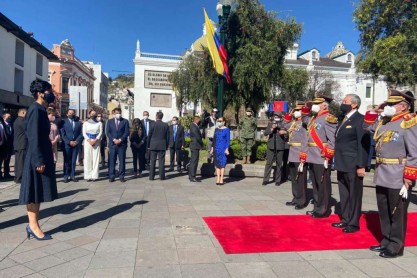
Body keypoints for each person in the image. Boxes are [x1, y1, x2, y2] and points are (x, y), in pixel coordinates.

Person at [364, 90, 417, 258]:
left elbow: (414, 152)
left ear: (403, 106)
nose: (388, 106)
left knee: (396, 211)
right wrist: (375, 111)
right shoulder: (385, 121)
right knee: (384, 209)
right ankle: (386, 240)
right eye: (387, 104)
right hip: (382, 172)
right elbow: (367, 127)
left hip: (398, 174)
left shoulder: (409, 122)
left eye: (391, 104)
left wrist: (409, 176)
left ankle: (396, 245)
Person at [19, 80, 57, 240]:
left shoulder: (40, 109)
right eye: (49, 90)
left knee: (38, 191)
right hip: (37, 157)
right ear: (41, 93)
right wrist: (38, 160)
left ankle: (34, 225)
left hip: (42, 155)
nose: (52, 93)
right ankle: (33, 226)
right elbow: (33, 137)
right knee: (33, 192)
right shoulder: (35, 109)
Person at [332, 94, 370, 233]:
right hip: (342, 162)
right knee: (344, 193)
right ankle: (346, 219)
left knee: (354, 194)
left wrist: (361, 165)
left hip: (353, 163)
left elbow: (363, 144)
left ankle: (353, 223)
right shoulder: (343, 119)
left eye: (345, 101)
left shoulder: (360, 120)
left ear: (354, 104)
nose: (343, 103)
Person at [304, 95, 337, 218]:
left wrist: (329, 153)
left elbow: (332, 139)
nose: (314, 105)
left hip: (321, 155)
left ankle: (323, 209)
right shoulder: (314, 118)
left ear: (324, 105)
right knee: (315, 183)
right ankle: (317, 207)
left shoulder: (328, 118)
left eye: (317, 103)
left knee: (322, 183)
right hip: (312, 155)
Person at [285, 103, 309, 209]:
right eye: (295, 110)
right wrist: (288, 115)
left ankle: (302, 200)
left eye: (297, 110)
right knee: (294, 178)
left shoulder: (304, 123)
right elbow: (284, 125)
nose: (295, 112)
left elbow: (305, 138)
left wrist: (303, 153)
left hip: (299, 152)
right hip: (292, 152)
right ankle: (295, 197)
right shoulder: (293, 123)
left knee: (301, 178)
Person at [262, 112, 287, 186]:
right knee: (269, 163)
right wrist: (271, 129)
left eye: (277, 116)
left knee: (279, 164)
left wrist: (284, 133)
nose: (275, 117)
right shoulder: (270, 123)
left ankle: (278, 180)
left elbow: (288, 135)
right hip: (271, 146)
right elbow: (265, 133)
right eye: (274, 116)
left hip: (280, 146)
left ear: (280, 117)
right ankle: (266, 180)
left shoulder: (283, 124)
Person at [106, 108, 129, 182]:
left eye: (119, 112)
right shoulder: (109, 121)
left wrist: (120, 140)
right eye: (116, 113)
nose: (118, 114)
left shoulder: (125, 121)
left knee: (122, 160)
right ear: (114, 113)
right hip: (112, 144)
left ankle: (121, 176)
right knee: (112, 160)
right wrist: (114, 140)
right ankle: (112, 175)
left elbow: (126, 132)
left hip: (122, 144)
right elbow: (108, 132)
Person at [60, 109, 83, 183]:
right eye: (70, 113)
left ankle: (73, 175)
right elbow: (62, 134)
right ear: (67, 114)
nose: (71, 114)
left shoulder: (78, 123)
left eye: (72, 113)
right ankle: (66, 175)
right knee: (67, 161)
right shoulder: (63, 122)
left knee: (73, 161)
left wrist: (77, 141)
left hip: (76, 144)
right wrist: (68, 142)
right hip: (67, 144)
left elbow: (81, 133)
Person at [148, 111, 169, 180]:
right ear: (162, 117)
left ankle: (151, 177)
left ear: (156, 116)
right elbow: (167, 137)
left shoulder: (152, 124)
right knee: (161, 162)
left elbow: (149, 135)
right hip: (162, 145)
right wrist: (167, 145)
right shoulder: (165, 125)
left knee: (152, 161)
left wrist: (148, 145)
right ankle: (162, 176)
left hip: (153, 145)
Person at [82, 110, 103, 181]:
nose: (93, 115)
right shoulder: (85, 123)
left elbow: (100, 132)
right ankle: (88, 176)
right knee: (87, 158)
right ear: (89, 114)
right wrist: (89, 140)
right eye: (92, 114)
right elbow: (84, 133)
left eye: (95, 114)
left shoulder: (99, 123)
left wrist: (95, 140)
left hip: (96, 142)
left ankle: (94, 175)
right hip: (88, 142)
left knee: (95, 159)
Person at [210, 117, 230, 185]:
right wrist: (212, 148)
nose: (219, 122)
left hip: (223, 149)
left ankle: (222, 179)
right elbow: (214, 140)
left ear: (224, 122)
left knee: (222, 164)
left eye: (220, 121)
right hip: (216, 148)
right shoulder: (216, 129)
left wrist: (227, 149)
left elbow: (227, 140)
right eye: (218, 121)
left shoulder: (227, 129)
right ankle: (218, 178)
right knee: (217, 164)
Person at [13, 108, 27, 184]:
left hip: (18, 144)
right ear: (23, 113)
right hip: (22, 144)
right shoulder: (22, 121)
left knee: (18, 162)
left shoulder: (17, 120)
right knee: (21, 162)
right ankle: (20, 177)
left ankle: (17, 177)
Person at [189, 116, 204, 182]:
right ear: (196, 120)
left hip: (194, 146)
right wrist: (202, 144)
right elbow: (197, 137)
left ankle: (191, 176)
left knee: (193, 161)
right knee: (194, 162)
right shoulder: (193, 126)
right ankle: (192, 176)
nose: (199, 121)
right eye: (199, 120)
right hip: (195, 145)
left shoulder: (194, 126)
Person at [0, 113, 14, 180]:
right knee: (0, 161)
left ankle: (6, 173)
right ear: (4, 117)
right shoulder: (1, 125)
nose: (10, 118)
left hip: (9, 146)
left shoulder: (11, 125)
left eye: (10, 116)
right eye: (8, 116)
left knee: (7, 160)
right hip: (2, 146)